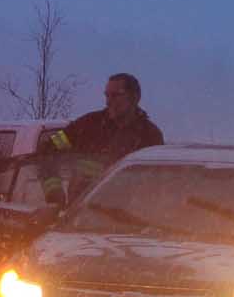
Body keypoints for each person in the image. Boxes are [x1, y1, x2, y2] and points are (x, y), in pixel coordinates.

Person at [40, 71, 164, 206]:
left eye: (116, 95)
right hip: (79, 215)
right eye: (107, 95)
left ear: (135, 97)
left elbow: (156, 181)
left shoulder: (150, 135)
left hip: (126, 217)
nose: (108, 101)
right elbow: (48, 149)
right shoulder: (87, 125)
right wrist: (54, 191)